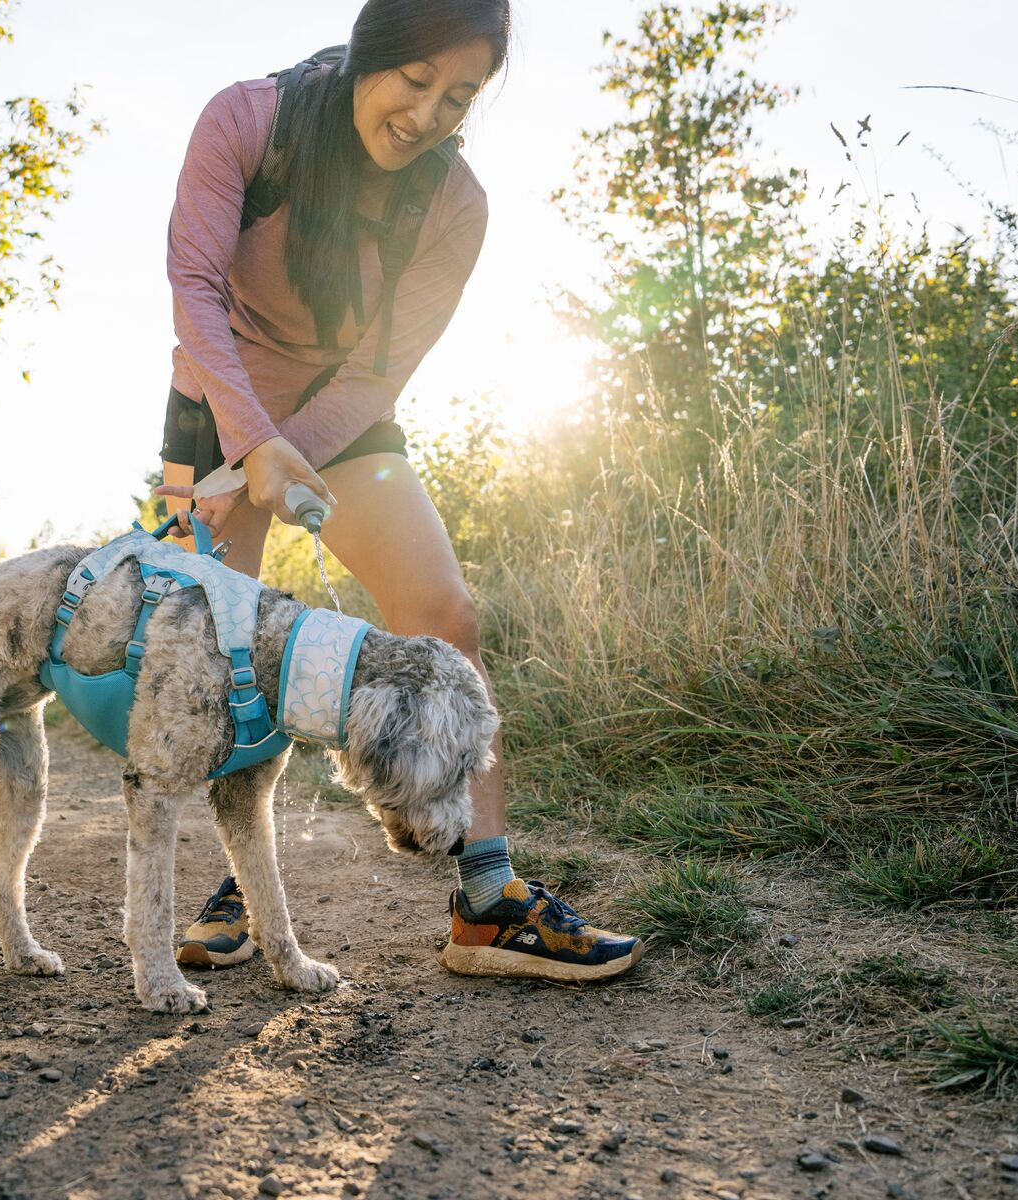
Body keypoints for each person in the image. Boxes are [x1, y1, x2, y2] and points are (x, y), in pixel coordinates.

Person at [154, 0, 643, 983]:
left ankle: (490, 900)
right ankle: (234, 889)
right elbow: (195, 290)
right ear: (372, 54)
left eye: (459, 96)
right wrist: (245, 451)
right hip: (218, 401)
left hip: (343, 413)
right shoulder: (249, 120)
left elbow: (378, 377)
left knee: (445, 614)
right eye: (416, 80)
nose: (429, 113)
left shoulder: (456, 207)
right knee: (215, 646)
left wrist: (289, 454)